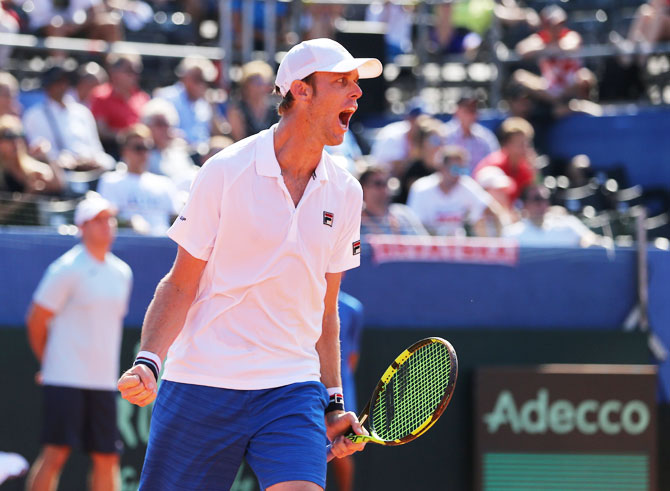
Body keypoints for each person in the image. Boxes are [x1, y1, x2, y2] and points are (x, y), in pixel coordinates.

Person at [116, 38, 382, 490]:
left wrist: (334, 401)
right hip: (202, 380)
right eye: (341, 82)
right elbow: (180, 284)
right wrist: (149, 360)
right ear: (300, 91)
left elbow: (326, 308)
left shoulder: (346, 192)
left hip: (291, 387)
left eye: (356, 84)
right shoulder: (225, 171)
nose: (356, 93)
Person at [25, 191, 132, 491]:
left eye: (109, 219)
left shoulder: (122, 273)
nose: (106, 225)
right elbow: (36, 319)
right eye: (97, 220)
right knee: (56, 453)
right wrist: (50, 362)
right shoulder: (65, 269)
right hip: (64, 378)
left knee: (107, 457)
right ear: (81, 227)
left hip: (103, 382)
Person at [513, 5, 600, 117]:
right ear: (544, 25)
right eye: (552, 25)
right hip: (550, 87)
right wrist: (547, 47)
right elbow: (522, 50)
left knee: (584, 76)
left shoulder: (570, 35)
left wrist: (544, 48)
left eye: (560, 24)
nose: (557, 28)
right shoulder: (540, 38)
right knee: (520, 77)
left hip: (570, 85)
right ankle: (560, 107)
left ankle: (578, 104)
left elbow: (570, 46)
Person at [23, 66, 115, 171]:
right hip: (58, 171)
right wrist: (59, 160)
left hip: (90, 169)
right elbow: (38, 150)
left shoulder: (82, 112)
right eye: (58, 82)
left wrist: (91, 159)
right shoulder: (33, 115)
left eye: (65, 81)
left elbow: (96, 148)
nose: (63, 85)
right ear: (48, 86)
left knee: (111, 164)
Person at [97, 123, 180, 236]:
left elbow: (176, 218)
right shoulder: (111, 181)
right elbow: (105, 217)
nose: (144, 153)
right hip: (128, 243)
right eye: (138, 148)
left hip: (162, 244)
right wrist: (129, 222)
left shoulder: (165, 183)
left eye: (147, 148)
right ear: (124, 151)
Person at [408, 145, 503, 237]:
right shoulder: (421, 188)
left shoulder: (466, 185)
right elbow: (415, 226)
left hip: (458, 246)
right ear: (441, 167)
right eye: (455, 169)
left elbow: (490, 208)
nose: (458, 174)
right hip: (427, 245)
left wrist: (498, 237)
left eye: (463, 169)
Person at [0, 115, 65, 225]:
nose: (16, 141)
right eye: (9, 136)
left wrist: (48, 157)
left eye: (19, 135)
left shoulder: (34, 168)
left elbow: (58, 185)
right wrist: (28, 195)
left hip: (42, 229)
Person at [329, 290, 364, 491]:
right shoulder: (305, 297)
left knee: (344, 446)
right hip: (305, 384)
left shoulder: (353, 308)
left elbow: (352, 357)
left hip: (341, 389)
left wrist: (335, 385)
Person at [503, 183, 605, 247]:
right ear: (525, 204)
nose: (542, 205)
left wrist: (587, 242)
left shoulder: (567, 224)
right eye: (537, 199)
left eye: (545, 199)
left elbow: (589, 237)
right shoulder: (511, 234)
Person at [153, 55, 218, 150]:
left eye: (205, 81)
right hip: (175, 153)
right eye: (197, 79)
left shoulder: (205, 103)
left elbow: (215, 132)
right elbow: (159, 132)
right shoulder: (166, 96)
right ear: (184, 77)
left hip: (202, 154)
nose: (202, 85)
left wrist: (213, 107)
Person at [90, 52, 150, 154]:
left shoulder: (142, 97)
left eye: (137, 71)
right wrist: (127, 136)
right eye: (129, 71)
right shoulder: (101, 96)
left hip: (142, 150)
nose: (134, 75)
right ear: (114, 72)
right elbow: (101, 131)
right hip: (114, 150)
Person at [473, 116, 536, 204]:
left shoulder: (526, 167)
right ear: (507, 144)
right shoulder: (493, 165)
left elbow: (531, 193)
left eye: (527, 143)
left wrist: (534, 170)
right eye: (520, 144)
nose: (525, 148)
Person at [360, 165, 428, 236]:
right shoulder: (356, 219)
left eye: (386, 183)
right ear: (363, 188)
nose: (384, 188)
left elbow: (424, 242)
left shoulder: (404, 214)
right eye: (378, 183)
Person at [442, 94, 500, 173]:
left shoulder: (486, 136)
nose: (471, 115)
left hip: (478, 181)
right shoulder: (444, 133)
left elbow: (495, 161)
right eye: (467, 110)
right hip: (450, 181)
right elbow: (438, 163)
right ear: (457, 111)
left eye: (473, 110)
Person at [227, 60, 279, 142]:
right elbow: (239, 141)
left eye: (261, 82)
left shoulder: (275, 110)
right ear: (246, 86)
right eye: (254, 82)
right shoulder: (237, 110)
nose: (258, 86)